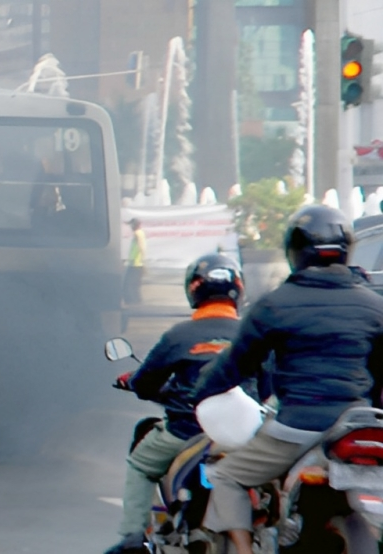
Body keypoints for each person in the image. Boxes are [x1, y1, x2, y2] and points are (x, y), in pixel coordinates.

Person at [192, 205, 383, 554]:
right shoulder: (374, 305)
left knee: (226, 476)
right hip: (356, 429)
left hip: (296, 428)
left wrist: (199, 392)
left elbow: (234, 365)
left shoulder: (274, 305)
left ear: (295, 250)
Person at [104, 253, 245, 554]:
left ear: (193, 290)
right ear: (238, 290)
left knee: (141, 466)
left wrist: (132, 381)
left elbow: (145, 383)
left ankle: (132, 538)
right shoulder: (252, 334)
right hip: (245, 435)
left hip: (185, 433)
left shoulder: (179, 336)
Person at [123, 219, 146, 305]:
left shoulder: (138, 234)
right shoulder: (140, 233)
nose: (130, 227)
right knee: (134, 285)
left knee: (129, 285)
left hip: (135, 263)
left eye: (131, 225)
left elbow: (141, 247)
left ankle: (133, 303)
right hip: (135, 262)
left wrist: (142, 260)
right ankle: (136, 302)